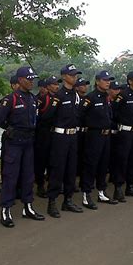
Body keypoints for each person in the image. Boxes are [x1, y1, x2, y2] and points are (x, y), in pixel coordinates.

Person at [0, 66, 45, 227]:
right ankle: (6, 209)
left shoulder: (32, 99)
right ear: (20, 80)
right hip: (14, 143)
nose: (31, 82)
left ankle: (27, 206)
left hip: (29, 142)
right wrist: (11, 130)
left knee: (28, 176)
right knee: (10, 176)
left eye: (32, 79)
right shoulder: (11, 99)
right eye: (28, 79)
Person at [46, 66, 84, 218]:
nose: (75, 77)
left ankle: (68, 200)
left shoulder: (76, 95)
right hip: (60, 137)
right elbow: (48, 117)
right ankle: (52, 201)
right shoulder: (58, 96)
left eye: (76, 75)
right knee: (58, 168)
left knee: (71, 169)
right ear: (64, 77)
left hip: (73, 136)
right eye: (72, 75)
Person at [78, 70, 113, 209]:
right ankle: (86, 194)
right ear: (97, 81)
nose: (108, 82)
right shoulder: (90, 98)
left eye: (109, 80)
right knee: (91, 164)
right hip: (94, 135)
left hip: (106, 135)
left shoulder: (107, 97)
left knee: (104, 164)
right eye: (105, 80)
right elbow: (81, 115)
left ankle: (101, 191)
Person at [111, 70, 133, 201]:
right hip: (124, 131)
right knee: (122, 160)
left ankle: (130, 186)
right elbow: (113, 112)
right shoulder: (122, 95)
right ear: (130, 81)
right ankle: (118, 187)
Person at [34, 76, 59, 198]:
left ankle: (52, 184)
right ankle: (40, 185)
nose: (56, 86)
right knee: (41, 160)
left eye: (57, 84)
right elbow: (37, 117)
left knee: (53, 160)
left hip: (54, 133)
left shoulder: (58, 98)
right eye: (53, 84)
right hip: (42, 133)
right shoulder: (42, 99)